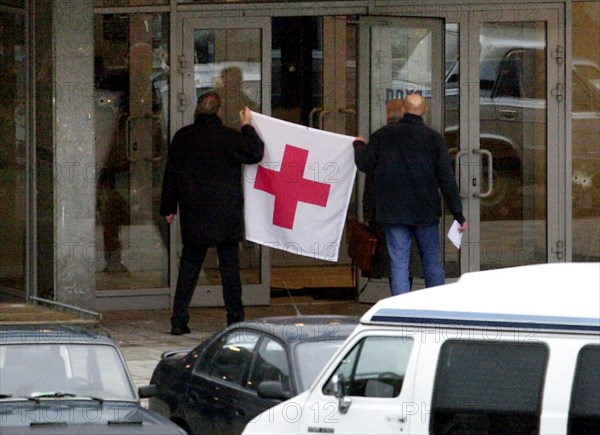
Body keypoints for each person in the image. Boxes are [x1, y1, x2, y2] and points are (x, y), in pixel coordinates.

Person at [160, 91, 264, 334]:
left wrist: (168, 207)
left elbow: (171, 174)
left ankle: (179, 320)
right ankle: (235, 319)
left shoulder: (182, 137)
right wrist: (247, 125)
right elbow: (256, 152)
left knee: (189, 266)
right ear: (219, 111)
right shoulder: (229, 137)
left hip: (194, 211)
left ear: (198, 110)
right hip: (225, 213)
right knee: (229, 268)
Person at [354, 93, 467, 296]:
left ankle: (402, 313)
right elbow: (447, 180)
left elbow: (364, 164)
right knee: (431, 261)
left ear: (404, 110)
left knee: (398, 263)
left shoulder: (383, 135)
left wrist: (359, 145)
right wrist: (458, 214)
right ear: (425, 111)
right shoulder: (434, 139)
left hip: (393, 212)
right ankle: (437, 307)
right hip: (425, 212)